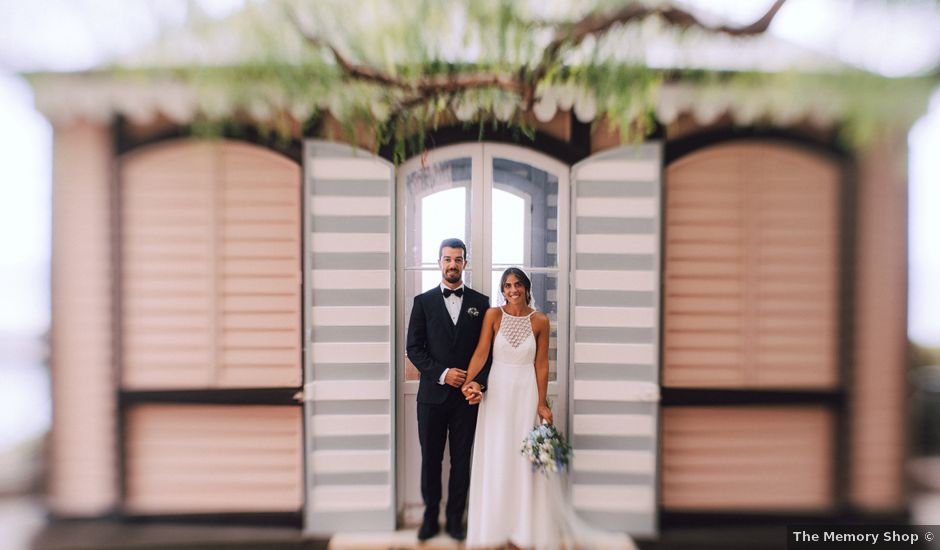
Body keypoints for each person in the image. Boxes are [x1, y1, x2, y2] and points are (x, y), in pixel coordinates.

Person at [462, 267, 638, 550]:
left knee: (522, 457)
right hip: (498, 392)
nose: (512, 290)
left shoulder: (541, 320)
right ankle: (493, 526)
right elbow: (482, 352)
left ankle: (523, 527)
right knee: (497, 453)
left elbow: (542, 364)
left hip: (525, 391)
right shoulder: (493, 315)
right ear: (502, 290)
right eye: (507, 286)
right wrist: (468, 382)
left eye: (517, 285)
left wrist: (541, 402)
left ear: (527, 288)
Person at [406, 238, 490, 541]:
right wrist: (443, 373)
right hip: (431, 398)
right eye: (447, 259)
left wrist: (476, 382)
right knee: (430, 459)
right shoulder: (423, 302)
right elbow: (413, 348)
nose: (452, 264)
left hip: (466, 400)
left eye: (458, 259)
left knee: (461, 460)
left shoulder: (481, 304)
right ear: (439, 262)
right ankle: (430, 518)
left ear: (465, 263)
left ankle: (456, 519)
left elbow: (488, 351)